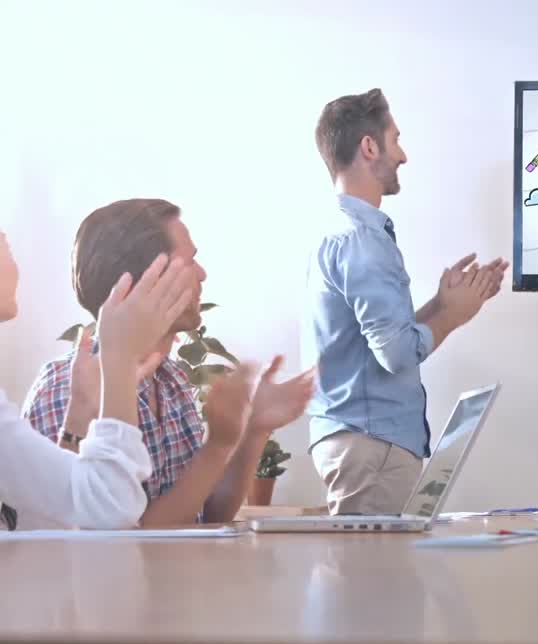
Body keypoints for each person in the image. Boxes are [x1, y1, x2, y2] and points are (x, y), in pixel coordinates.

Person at [22, 199, 313, 527]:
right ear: (146, 281)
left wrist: (253, 430)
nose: (202, 274)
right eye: (189, 262)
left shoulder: (173, 379)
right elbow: (122, 543)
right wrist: (218, 445)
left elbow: (206, 514)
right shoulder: (69, 387)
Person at [304, 88, 507, 514]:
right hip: (370, 443)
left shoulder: (355, 235)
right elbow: (396, 353)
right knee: (371, 578)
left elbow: (374, 343)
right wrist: (452, 317)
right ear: (369, 146)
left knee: (378, 578)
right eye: (396, 140)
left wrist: (442, 305)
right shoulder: (362, 241)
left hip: (369, 439)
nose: (403, 156)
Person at [0, 227, 200, 529]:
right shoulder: (63, 381)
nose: (202, 274)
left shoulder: (173, 381)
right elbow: (111, 509)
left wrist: (79, 416)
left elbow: (44, 529)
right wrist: (118, 361)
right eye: (5, 245)